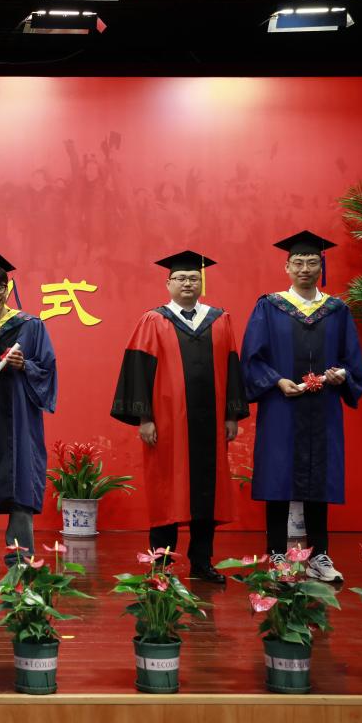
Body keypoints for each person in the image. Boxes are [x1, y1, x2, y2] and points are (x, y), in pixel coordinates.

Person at [110, 250, 248, 583]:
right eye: (181, 278)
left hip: (211, 424)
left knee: (207, 494)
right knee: (166, 491)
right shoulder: (153, 320)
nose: (187, 283)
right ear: (168, 283)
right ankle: (161, 564)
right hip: (168, 423)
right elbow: (138, 370)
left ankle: (202, 561)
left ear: (201, 282)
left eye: (193, 278)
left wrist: (231, 415)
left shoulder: (220, 319)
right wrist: (144, 418)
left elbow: (232, 368)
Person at [241, 230, 362, 583]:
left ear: (321, 266)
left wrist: (341, 375)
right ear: (287, 267)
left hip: (322, 408)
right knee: (277, 477)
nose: (305, 269)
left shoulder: (336, 311)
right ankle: (277, 555)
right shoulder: (269, 307)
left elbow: (352, 361)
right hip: (282, 406)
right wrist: (277, 381)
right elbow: (252, 358)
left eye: (312, 262)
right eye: (298, 262)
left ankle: (318, 556)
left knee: (319, 478)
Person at [0, 254, 57, 577]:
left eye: (0, 287)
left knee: (21, 479)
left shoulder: (30, 326)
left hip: (19, 416)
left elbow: (48, 369)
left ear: (8, 287)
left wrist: (24, 365)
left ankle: (21, 556)